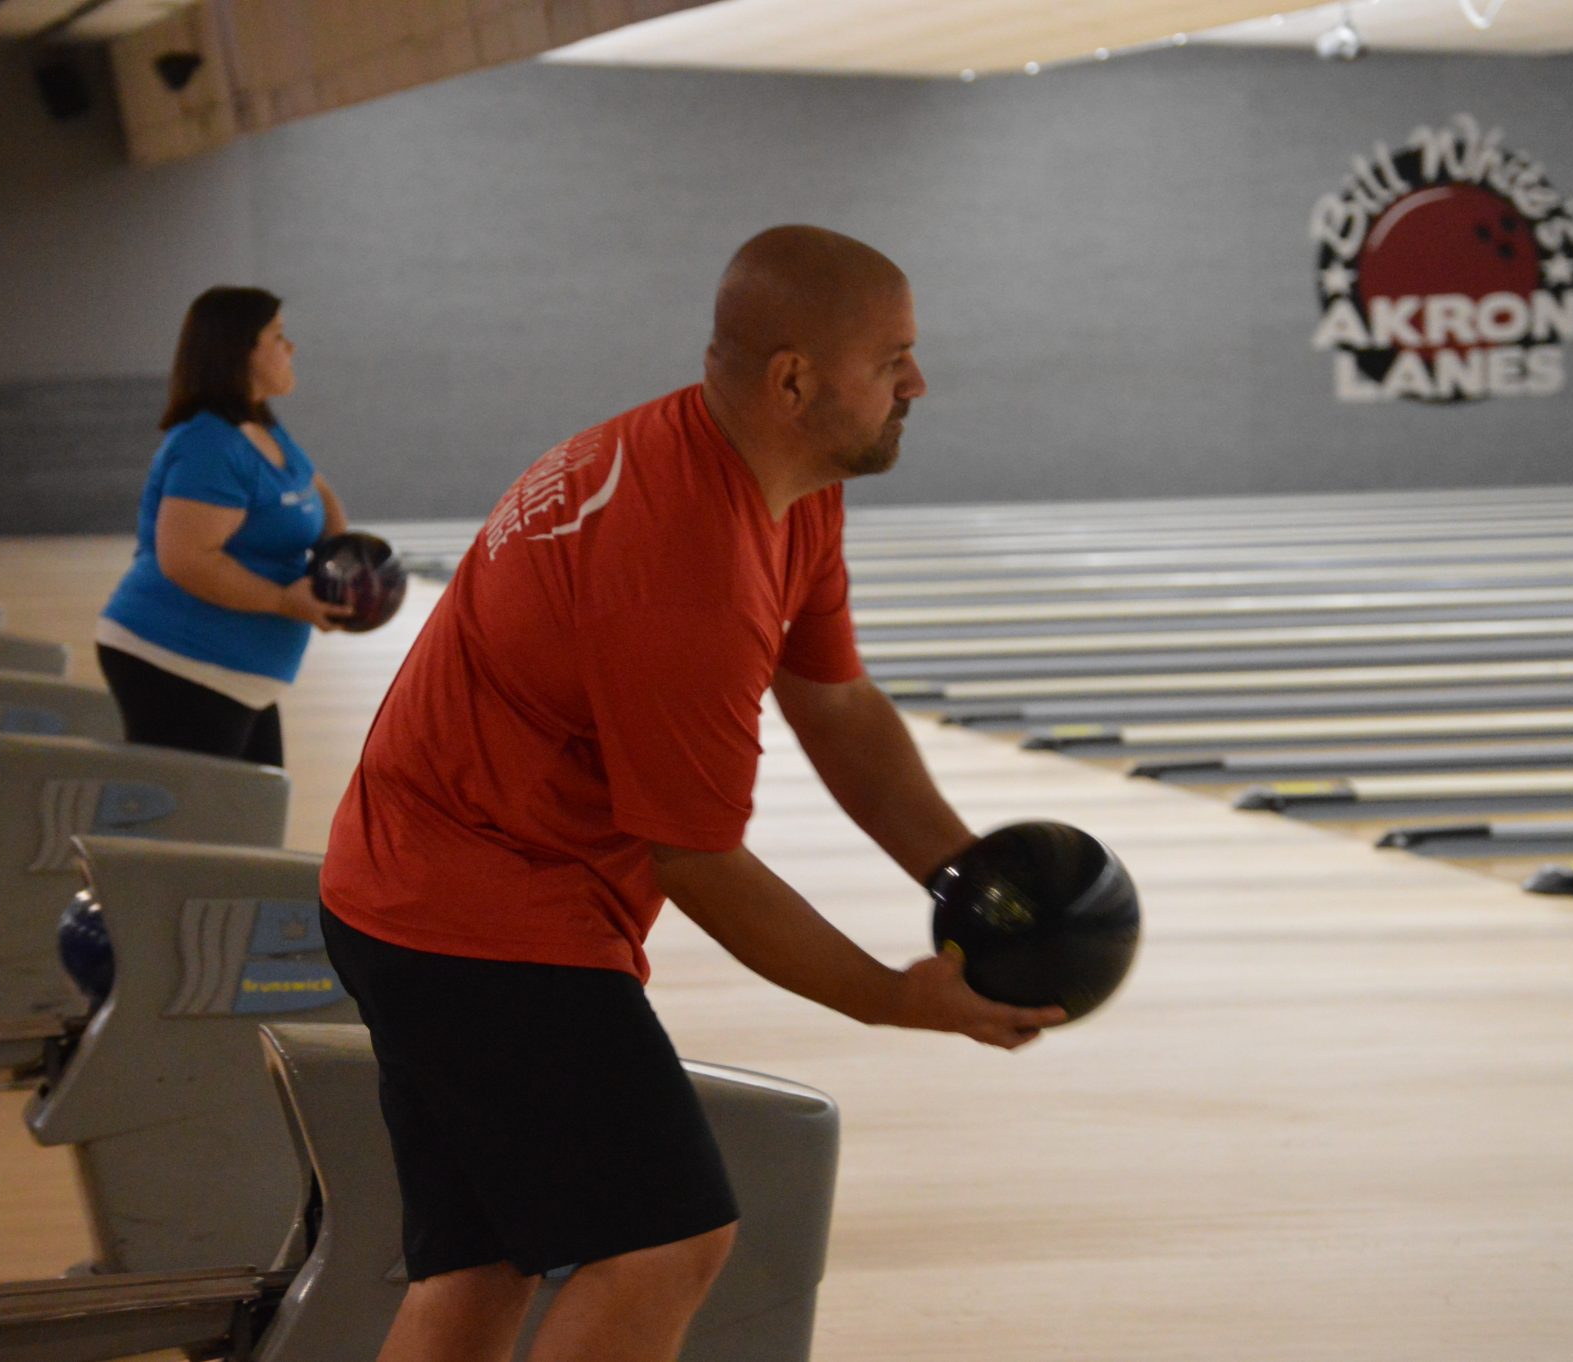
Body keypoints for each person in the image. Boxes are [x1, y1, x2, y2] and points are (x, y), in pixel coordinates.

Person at [318, 226, 1066, 1362]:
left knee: (474, 1266)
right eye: (892, 359)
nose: (918, 381)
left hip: (415, 889)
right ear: (794, 380)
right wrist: (887, 997)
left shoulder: (788, 487)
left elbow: (837, 704)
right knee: (667, 1239)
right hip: (474, 915)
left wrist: (970, 881)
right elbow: (698, 861)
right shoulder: (684, 559)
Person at [96, 287, 350, 768]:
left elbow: (315, 491)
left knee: (249, 823)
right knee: (197, 833)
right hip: (177, 659)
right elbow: (189, 559)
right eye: (277, 335)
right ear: (240, 350)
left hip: (238, 672)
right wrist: (282, 601)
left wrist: (343, 560)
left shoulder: (262, 429)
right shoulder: (209, 445)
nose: (290, 347)